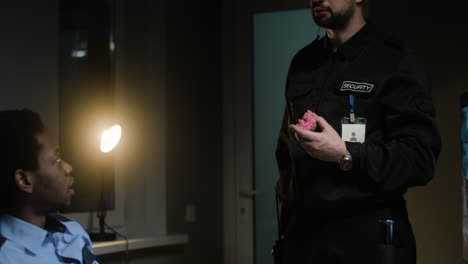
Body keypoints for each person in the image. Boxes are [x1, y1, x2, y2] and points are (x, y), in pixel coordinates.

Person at [273, 0, 441, 263]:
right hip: (303, 243)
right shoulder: (303, 63)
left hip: (365, 242)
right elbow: (286, 155)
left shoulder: (394, 60)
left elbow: (419, 159)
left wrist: (346, 154)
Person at [0, 109, 98, 264]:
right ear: (24, 180)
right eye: (56, 160)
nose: (68, 168)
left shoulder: (72, 232)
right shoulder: (7, 256)